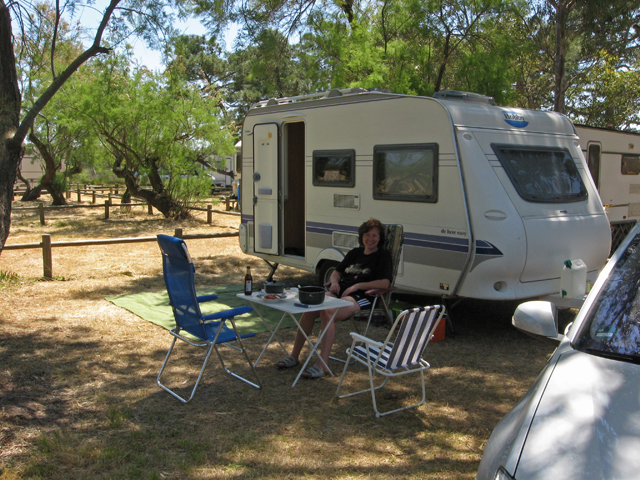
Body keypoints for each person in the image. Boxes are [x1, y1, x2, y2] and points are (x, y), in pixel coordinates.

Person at [276, 218, 393, 379]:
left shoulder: (382, 256)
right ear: (361, 236)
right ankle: (294, 356)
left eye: (375, 235)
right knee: (311, 306)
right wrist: (335, 282)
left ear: (380, 238)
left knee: (328, 310)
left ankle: (322, 365)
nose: (370, 239)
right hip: (340, 293)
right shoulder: (355, 253)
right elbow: (336, 272)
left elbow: (385, 283)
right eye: (367, 234)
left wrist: (357, 286)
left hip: (362, 297)